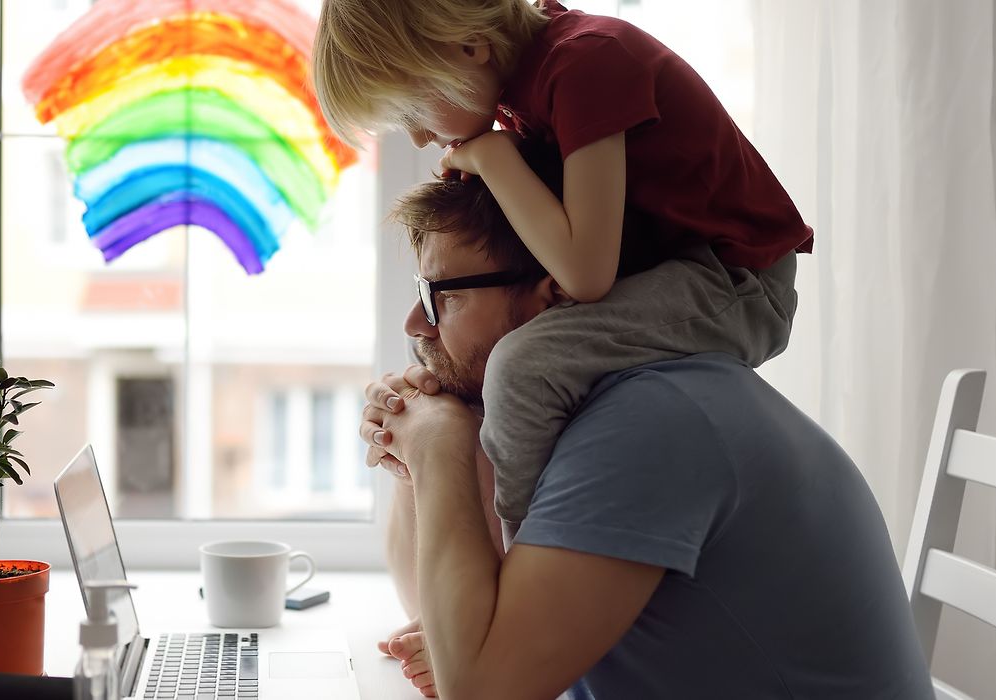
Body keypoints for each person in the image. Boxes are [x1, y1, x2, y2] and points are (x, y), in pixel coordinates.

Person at [357, 153, 932, 698]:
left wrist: (438, 445)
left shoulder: (649, 425)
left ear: (554, 294)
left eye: (440, 297)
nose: (415, 324)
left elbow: (482, 689)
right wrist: (420, 465)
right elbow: (439, 624)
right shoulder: (596, 407)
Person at [314, 0, 811, 544]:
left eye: (412, 111)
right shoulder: (533, 78)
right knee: (456, 363)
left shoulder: (585, 62)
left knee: (520, 367)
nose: (417, 137)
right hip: (683, 267)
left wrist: (495, 160)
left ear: (468, 46)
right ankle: (469, 577)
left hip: (737, 281)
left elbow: (585, 274)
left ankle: (523, 562)